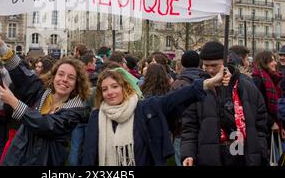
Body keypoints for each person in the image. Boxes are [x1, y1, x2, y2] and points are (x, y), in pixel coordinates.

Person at [0, 25, 91, 166]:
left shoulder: (75, 110)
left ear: (77, 83)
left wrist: (14, 102)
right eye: (61, 74)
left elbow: (47, 125)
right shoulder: (41, 91)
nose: (64, 79)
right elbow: (21, 72)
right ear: (53, 77)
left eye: (71, 77)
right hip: (19, 156)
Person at [81, 64, 227, 166]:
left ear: (125, 87)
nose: (110, 92)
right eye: (105, 89)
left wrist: (208, 83)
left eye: (114, 86)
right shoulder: (97, 117)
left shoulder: (145, 108)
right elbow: (90, 153)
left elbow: (177, 97)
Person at [181, 41, 268, 166]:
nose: (210, 70)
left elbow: (260, 125)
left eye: (214, 65)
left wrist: (261, 152)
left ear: (226, 60)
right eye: (206, 66)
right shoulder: (198, 88)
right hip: (210, 155)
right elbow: (190, 126)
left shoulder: (246, 86)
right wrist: (188, 153)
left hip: (242, 154)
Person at [170, 50, 202, 166]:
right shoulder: (206, 81)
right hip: (204, 132)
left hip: (181, 132)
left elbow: (171, 110)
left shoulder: (177, 84)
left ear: (182, 64)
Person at [252, 51, 285, 139]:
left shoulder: (270, 79)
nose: (275, 63)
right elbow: (257, 107)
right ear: (263, 62)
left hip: (269, 126)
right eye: (272, 60)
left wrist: (279, 124)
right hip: (263, 128)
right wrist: (272, 122)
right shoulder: (258, 80)